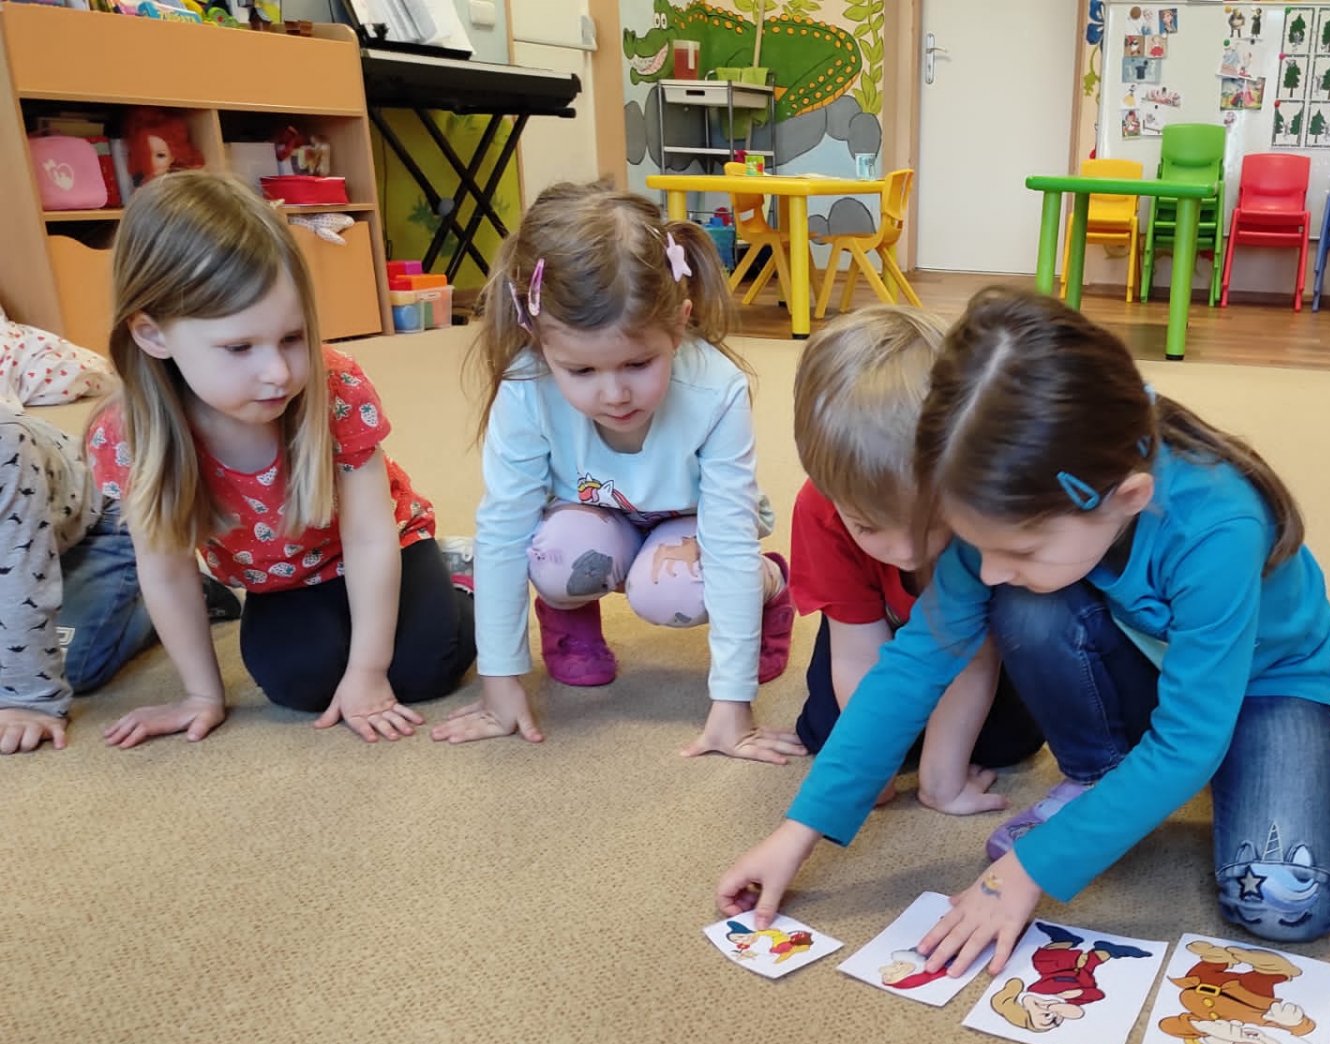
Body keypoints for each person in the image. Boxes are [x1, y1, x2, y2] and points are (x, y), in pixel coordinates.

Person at [719, 287, 1330, 974]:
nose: (988, 570)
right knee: (1023, 603)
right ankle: (1105, 773)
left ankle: (1277, 751)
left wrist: (1022, 874)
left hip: (1266, 686)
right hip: (1141, 658)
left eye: (1018, 549)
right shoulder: (999, 487)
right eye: (975, 544)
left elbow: (1188, 740)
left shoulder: (1217, 525)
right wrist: (798, 830)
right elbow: (915, 661)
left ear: (1128, 498)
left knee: (1282, 903)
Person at [86, 171, 473, 748]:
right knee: (299, 682)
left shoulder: (335, 387)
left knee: (424, 669)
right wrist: (201, 694)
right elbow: (165, 569)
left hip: (385, 545)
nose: (278, 372)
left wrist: (368, 671)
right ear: (153, 335)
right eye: (240, 347)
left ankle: (461, 577)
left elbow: (370, 536)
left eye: (292, 338)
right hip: (280, 581)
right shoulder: (129, 437)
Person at [431, 182, 796, 761]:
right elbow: (503, 531)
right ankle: (572, 618)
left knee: (670, 590)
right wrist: (499, 683)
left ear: (679, 325)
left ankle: (771, 584)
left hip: (690, 522)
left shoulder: (716, 389)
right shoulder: (526, 387)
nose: (615, 394)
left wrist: (733, 702)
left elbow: (726, 538)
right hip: (592, 515)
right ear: (538, 342)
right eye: (581, 371)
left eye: (638, 363)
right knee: (555, 555)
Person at [787, 306, 1042, 811]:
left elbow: (973, 654)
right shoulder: (818, 509)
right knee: (825, 733)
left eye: (930, 523)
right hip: (873, 631)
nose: (906, 551)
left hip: (972, 644)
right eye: (868, 526)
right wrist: (871, 768)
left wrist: (941, 782)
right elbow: (856, 652)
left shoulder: (976, 497)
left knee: (1009, 742)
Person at [0, 402, 237, 754]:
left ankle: (180, 595)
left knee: (64, 664)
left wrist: (27, 701)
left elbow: (20, 574)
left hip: (102, 529)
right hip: (29, 546)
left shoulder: (6, 443)